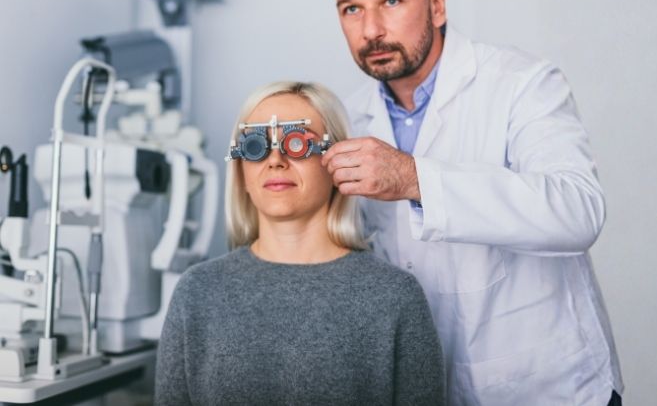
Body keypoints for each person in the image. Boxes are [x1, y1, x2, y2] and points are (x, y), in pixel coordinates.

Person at [323, 0, 623, 406]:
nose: (371, 29)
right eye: (351, 8)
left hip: (550, 386)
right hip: (430, 389)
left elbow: (578, 210)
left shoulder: (522, 83)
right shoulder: (349, 119)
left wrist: (414, 178)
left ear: (436, 4)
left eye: (391, 1)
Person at [155, 81, 445, 405]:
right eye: (256, 145)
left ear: (337, 163)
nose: (275, 160)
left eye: (297, 143)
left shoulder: (394, 297)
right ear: (241, 169)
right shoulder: (197, 291)